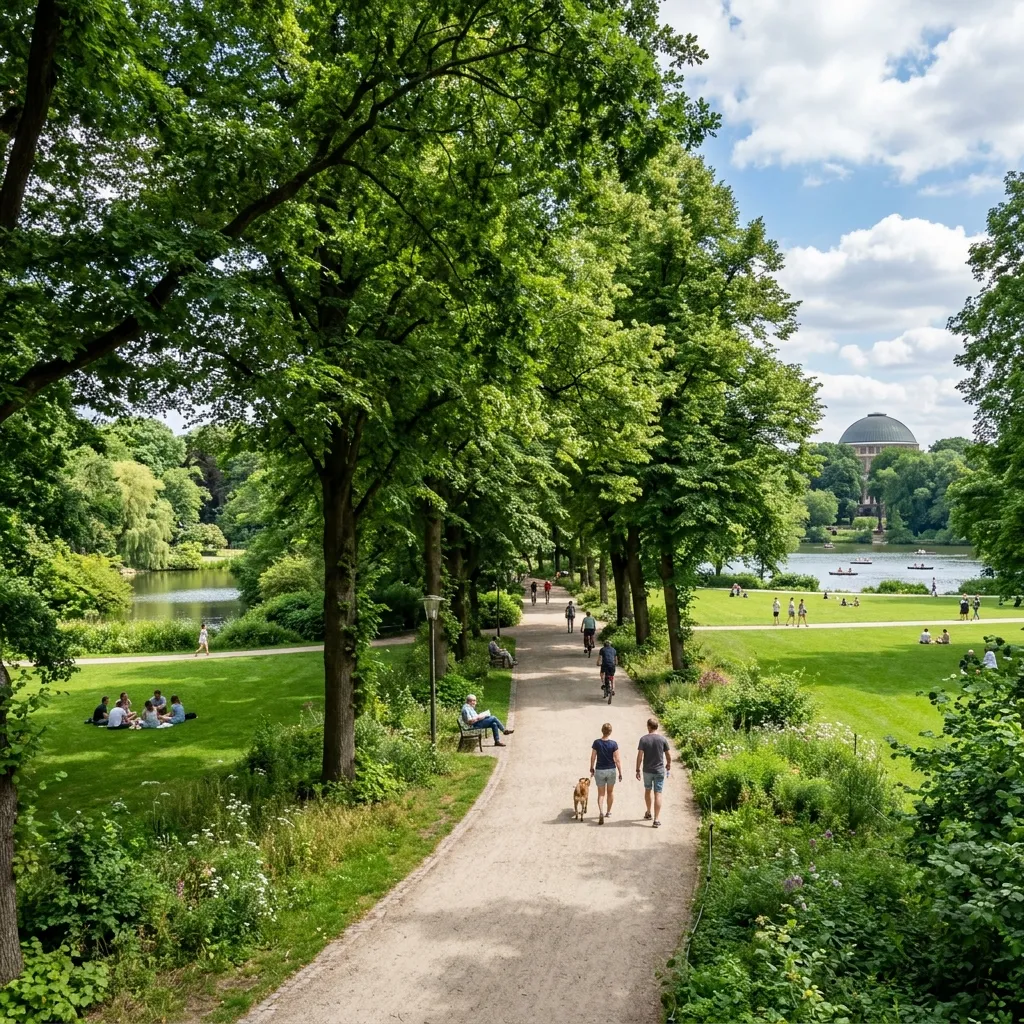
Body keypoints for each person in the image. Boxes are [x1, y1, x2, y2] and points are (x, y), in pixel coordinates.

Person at [636, 717, 671, 828]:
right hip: (659, 770)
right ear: (657, 727)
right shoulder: (663, 739)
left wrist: (637, 769)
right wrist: (668, 764)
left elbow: (640, 756)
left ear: (648, 727)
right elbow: (668, 754)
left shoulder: (643, 739)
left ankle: (648, 812)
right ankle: (656, 819)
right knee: (658, 793)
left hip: (647, 770)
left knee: (648, 790)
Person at [589, 723, 623, 825]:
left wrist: (591, 767)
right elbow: (617, 760)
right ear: (610, 732)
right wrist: (620, 772)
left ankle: (601, 812)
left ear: (602, 731)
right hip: (611, 770)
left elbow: (593, 757)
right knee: (610, 792)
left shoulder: (596, 743)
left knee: (601, 794)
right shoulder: (614, 744)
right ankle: (608, 812)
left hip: (600, 770)